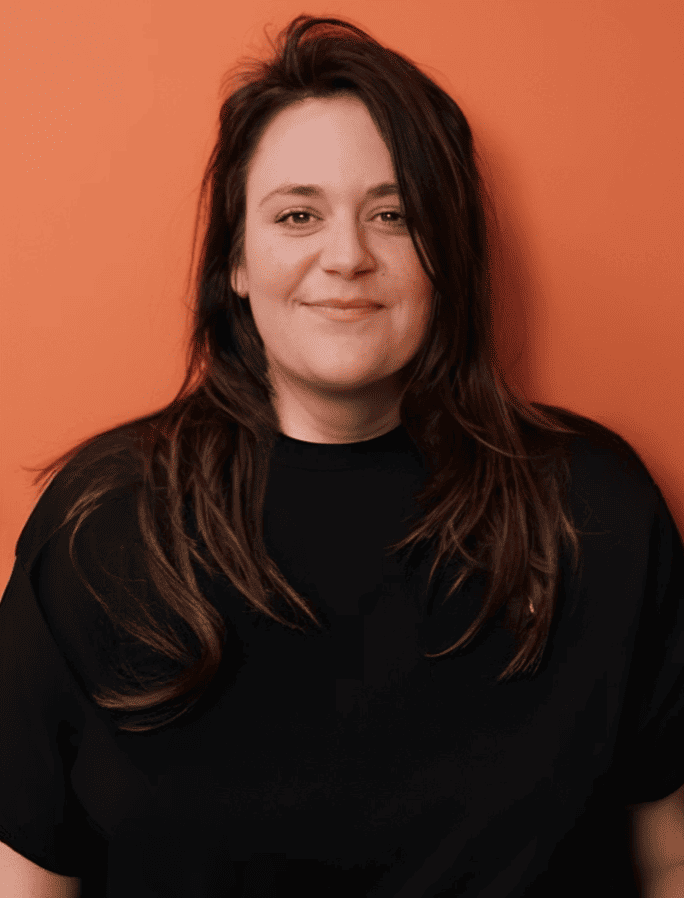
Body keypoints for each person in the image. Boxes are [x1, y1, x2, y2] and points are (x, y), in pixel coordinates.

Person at [1, 13, 683, 898]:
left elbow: (672, 858)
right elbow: (24, 876)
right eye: (298, 215)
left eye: (393, 215)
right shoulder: (103, 524)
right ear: (235, 262)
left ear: (448, 257)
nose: (348, 257)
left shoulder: (595, 509)